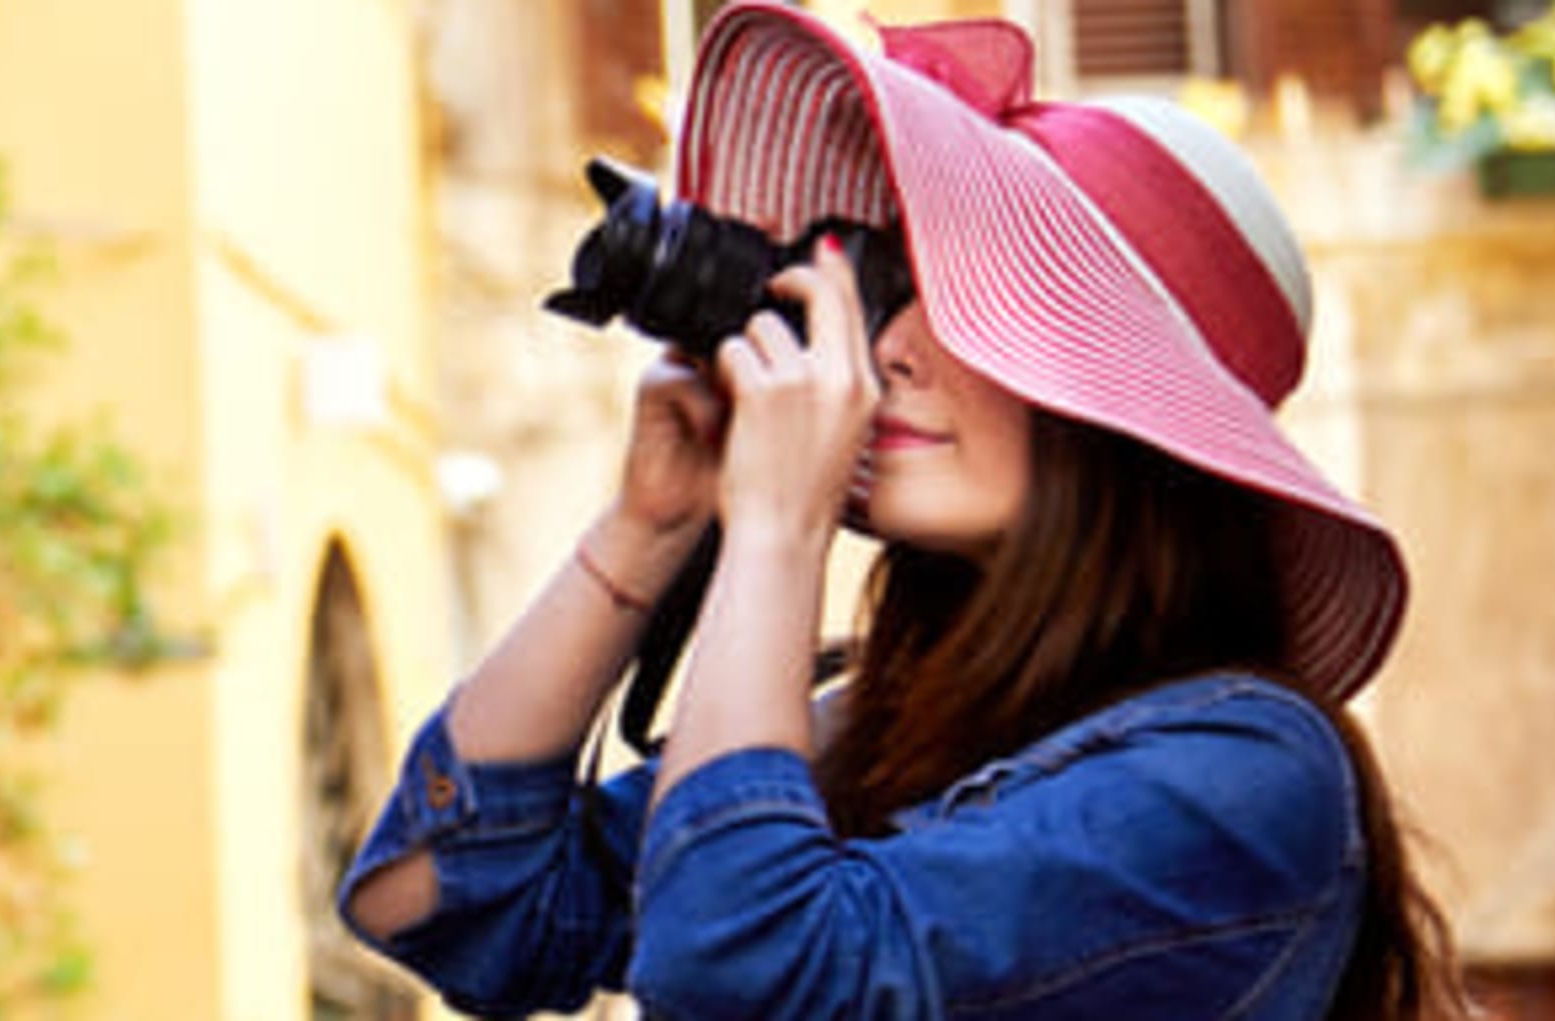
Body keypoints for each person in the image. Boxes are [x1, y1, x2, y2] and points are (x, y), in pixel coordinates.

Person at [338, 6, 1461, 1019]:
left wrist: (778, 533)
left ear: (1129, 418)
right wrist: (651, 527)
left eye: (978, 305)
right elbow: (433, 896)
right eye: (896, 288)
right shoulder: (874, 724)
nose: (889, 349)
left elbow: (746, 972)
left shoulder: (1245, 772)